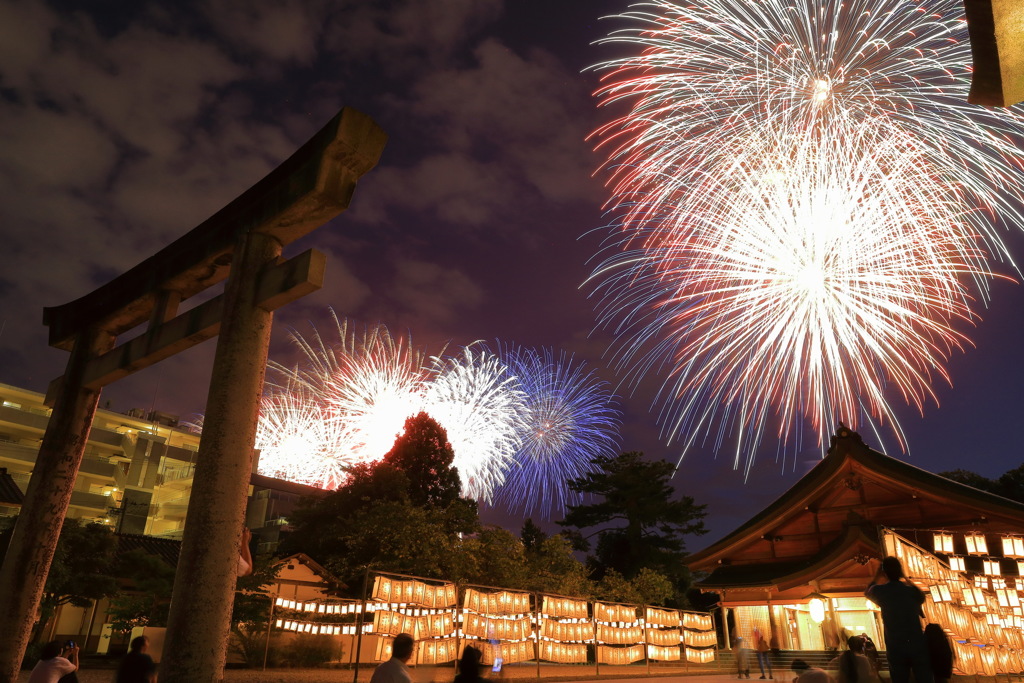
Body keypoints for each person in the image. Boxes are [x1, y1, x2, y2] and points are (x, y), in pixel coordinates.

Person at [865, 557, 933, 683]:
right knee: (923, 677)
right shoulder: (911, 592)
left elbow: (868, 592)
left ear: (884, 573)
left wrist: (877, 575)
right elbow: (921, 596)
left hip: (895, 644)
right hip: (916, 642)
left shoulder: (882, 591)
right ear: (900, 571)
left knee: (899, 678)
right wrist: (906, 578)